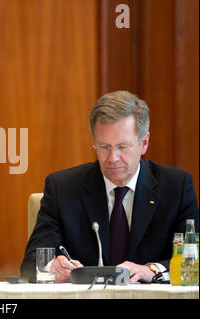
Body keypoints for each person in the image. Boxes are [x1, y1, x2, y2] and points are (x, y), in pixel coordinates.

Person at [21, 90, 199, 283]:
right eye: (104, 147)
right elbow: (30, 264)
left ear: (144, 143)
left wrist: (152, 270)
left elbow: (195, 258)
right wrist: (51, 268)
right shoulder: (62, 188)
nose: (112, 158)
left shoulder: (175, 187)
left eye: (122, 146)